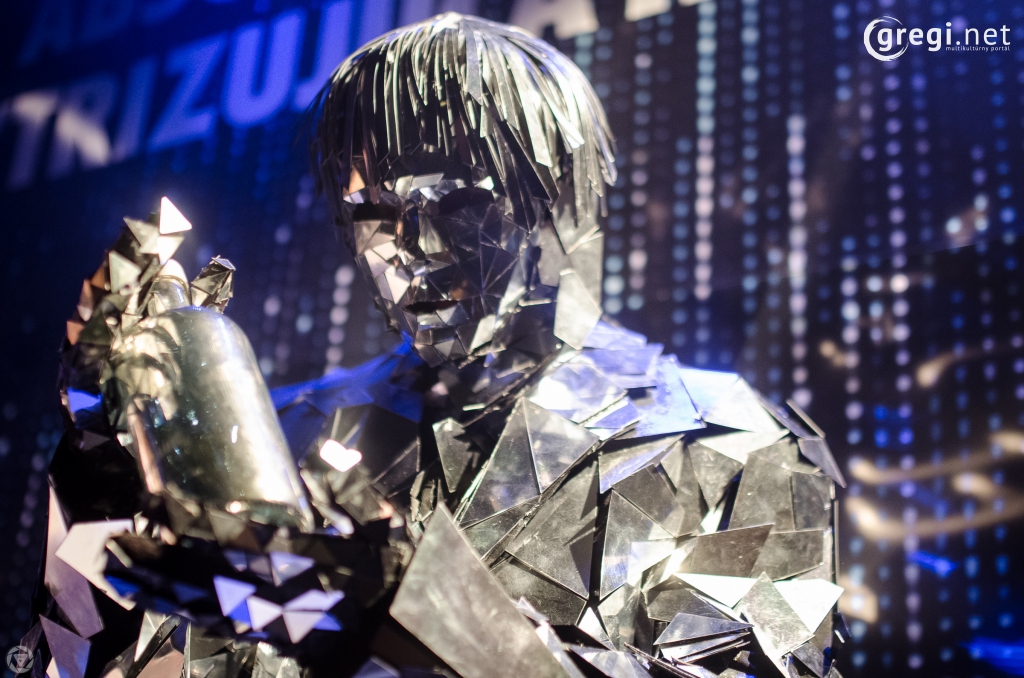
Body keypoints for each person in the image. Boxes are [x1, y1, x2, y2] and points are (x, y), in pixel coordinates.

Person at [27, 14, 845, 678]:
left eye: (454, 203)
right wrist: (105, 456)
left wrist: (413, 616)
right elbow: (113, 666)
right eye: (373, 213)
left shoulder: (731, 443)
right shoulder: (282, 436)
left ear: (556, 199)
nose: (409, 247)